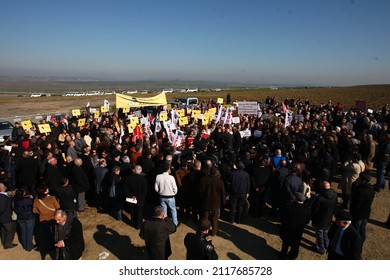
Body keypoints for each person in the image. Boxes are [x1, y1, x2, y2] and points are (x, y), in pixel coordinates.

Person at [278, 192, 311, 260]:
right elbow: (307, 221)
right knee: (296, 244)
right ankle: (293, 256)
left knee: (286, 243)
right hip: (299, 230)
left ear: (295, 198)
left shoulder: (288, 207)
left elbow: (283, 219)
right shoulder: (307, 209)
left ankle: (283, 255)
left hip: (288, 229)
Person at [310, 181, 338, 254]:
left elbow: (314, 209)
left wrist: (312, 216)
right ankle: (327, 245)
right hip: (328, 217)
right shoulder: (334, 194)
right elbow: (335, 205)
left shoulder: (319, 197)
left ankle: (321, 248)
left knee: (319, 234)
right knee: (326, 232)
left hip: (319, 218)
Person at [349, 171, 375, 243]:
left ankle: (356, 242)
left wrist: (352, 211)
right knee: (362, 228)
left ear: (363, 180)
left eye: (359, 178)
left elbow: (356, 204)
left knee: (356, 229)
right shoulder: (371, 189)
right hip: (366, 213)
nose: (358, 179)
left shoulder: (360, 191)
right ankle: (362, 240)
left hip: (358, 214)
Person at [199, 167, 226, 236]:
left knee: (205, 217)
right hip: (216, 203)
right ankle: (214, 232)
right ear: (216, 173)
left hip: (206, 202)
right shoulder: (219, 181)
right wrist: (224, 202)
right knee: (215, 218)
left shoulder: (203, 179)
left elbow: (201, 192)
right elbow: (223, 193)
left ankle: (204, 230)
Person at [123, 165, 148, 229]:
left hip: (131, 199)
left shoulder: (128, 179)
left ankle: (133, 224)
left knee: (132, 211)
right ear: (141, 171)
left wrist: (131, 196)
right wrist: (137, 197)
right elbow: (144, 191)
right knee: (139, 212)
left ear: (134, 170)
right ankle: (138, 225)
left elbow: (125, 189)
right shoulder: (143, 180)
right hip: (140, 199)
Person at [154, 162, 178, 226]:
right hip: (170, 197)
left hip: (162, 196)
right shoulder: (171, 177)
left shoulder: (158, 176)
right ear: (168, 169)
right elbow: (175, 189)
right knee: (173, 210)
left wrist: (160, 192)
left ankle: (164, 222)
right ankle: (175, 223)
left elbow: (156, 188)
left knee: (164, 210)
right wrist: (173, 193)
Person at [0, 183, 18, 249]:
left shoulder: (3, 196)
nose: (5, 187)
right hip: (6, 218)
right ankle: (7, 244)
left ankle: (4, 242)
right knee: (10, 231)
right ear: (3, 188)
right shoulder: (3, 197)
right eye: (4, 186)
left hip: (3, 218)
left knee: (3, 230)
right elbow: (2, 208)